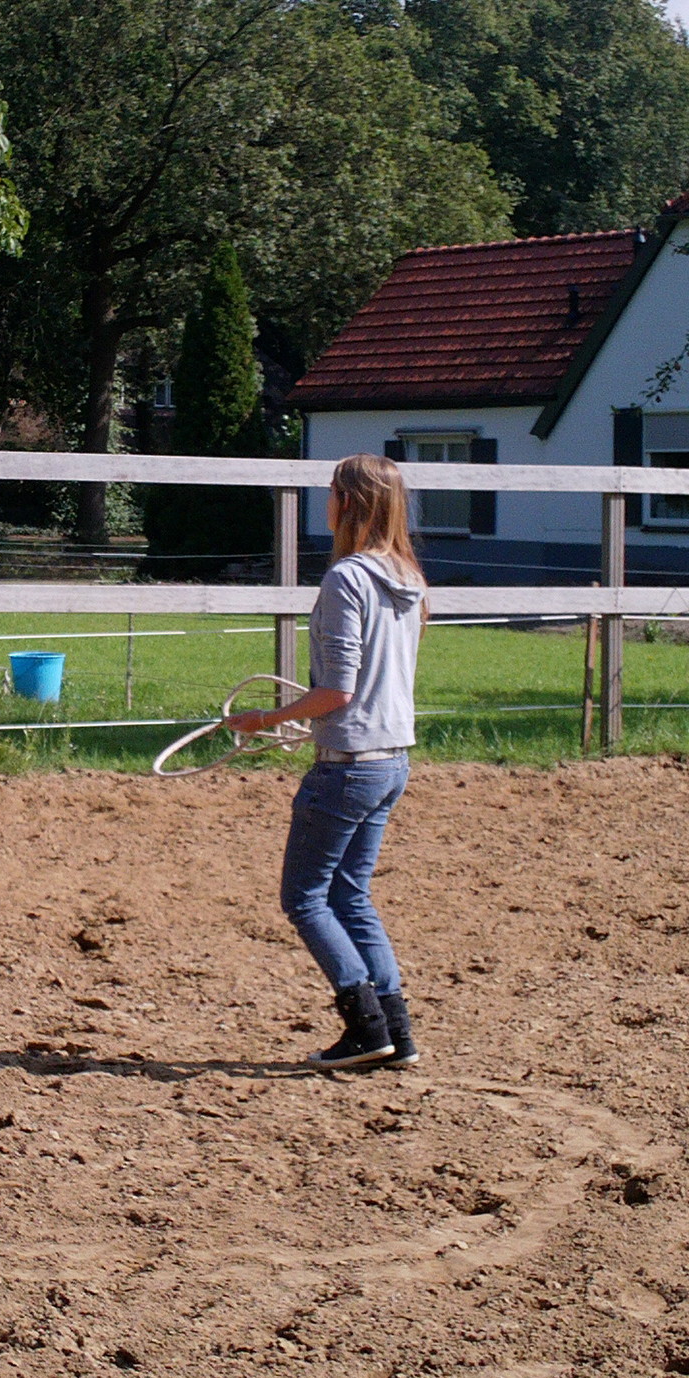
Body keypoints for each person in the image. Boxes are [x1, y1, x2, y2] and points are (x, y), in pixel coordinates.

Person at [227, 452, 425, 1070]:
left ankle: (366, 1029)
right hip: (391, 759)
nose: (327, 501)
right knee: (351, 895)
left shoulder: (347, 580)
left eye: (333, 492)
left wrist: (263, 719)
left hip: (347, 763)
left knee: (305, 898)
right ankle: (395, 1031)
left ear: (349, 502)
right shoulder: (410, 579)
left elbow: (338, 691)